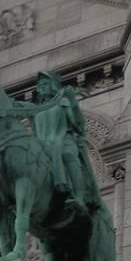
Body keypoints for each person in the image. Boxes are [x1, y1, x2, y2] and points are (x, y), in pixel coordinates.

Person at [29, 71, 102, 219]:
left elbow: (78, 124)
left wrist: (72, 102)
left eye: (45, 84)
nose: (42, 87)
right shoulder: (36, 111)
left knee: (67, 155)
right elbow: (35, 135)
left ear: (53, 86)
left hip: (64, 139)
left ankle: (79, 197)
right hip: (43, 146)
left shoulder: (62, 103)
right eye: (40, 85)